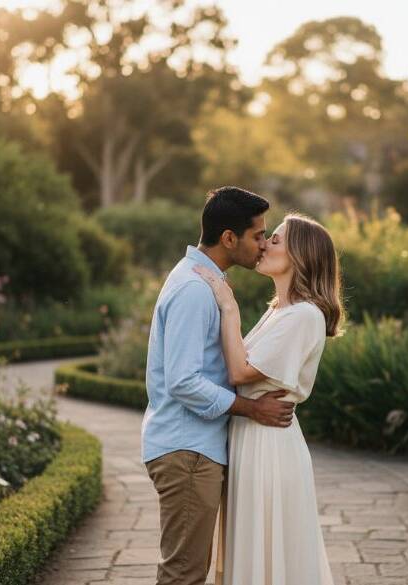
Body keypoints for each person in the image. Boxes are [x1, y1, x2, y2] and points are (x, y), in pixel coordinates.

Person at [141, 186, 296, 585]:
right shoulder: (195, 290)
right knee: (184, 574)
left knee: (189, 570)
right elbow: (183, 381)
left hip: (191, 448)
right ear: (229, 238)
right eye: (258, 235)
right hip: (187, 450)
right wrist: (253, 409)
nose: (263, 245)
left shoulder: (202, 281)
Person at [195, 213, 343, 585]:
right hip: (250, 437)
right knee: (251, 547)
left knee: (269, 550)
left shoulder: (305, 315)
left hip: (269, 446)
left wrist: (228, 307)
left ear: (300, 255)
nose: (263, 244)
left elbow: (241, 373)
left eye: (275, 240)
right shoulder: (278, 311)